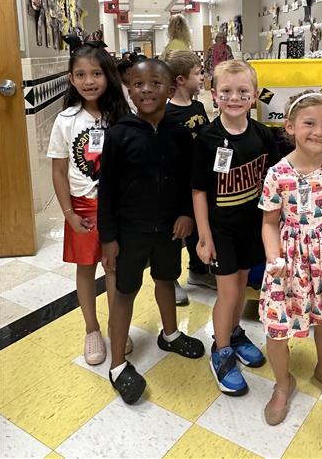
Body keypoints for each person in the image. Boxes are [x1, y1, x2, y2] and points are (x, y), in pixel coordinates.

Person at [98, 59, 205, 404]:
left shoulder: (179, 132)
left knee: (166, 278)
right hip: (130, 232)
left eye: (155, 84)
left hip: (169, 230)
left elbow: (191, 179)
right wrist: (109, 239)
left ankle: (170, 335)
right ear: (129, 89)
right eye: (139, 84)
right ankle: (117, 364)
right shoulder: (119, 134)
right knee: (124, 291)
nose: (147, 90)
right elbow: (108, 191)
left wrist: (187, 214)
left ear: (171, 90)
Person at [258, 91, 322, 425]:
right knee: (277, 323)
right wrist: (274, 259)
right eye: (309, 123)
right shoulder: (277, 174)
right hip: (288, 259)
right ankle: (283, 383)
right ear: (290, 126)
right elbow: (269, 223)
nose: (319, 131)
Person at [192, 60, 278, 396]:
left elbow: (272, 185)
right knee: (227, 293)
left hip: (251, 228)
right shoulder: (207, 139)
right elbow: (198, 190)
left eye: (243, 91)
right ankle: (221, 349)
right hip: (221, 231)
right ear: (214, 95)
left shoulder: (263, 136)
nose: (234, 97)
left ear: (255, 96)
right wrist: (204, 236)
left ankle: (234, 331)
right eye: (226, 91)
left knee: (242, 285)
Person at [47, 43, 131, 365]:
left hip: (117, 208)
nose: (89, 80)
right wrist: (68, 214)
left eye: (96, 73)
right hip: (82, 208)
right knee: (86, 269)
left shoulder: (122, 116)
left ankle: (115, 326)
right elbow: (58, 170)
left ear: (107, 75)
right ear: (70, 78)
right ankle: (92, 329)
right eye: (80, 74)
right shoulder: (66, 120)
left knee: (113, 268)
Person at [164, 50, 215, 305]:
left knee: (197, 228)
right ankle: (170, 279)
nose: (203, 77)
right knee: (175, 234)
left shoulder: (197, 106)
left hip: (199, 180)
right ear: (181, 80)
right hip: (176, 187)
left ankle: (198, 271)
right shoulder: (167, 114)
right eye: (198, 73)